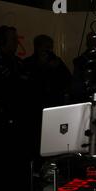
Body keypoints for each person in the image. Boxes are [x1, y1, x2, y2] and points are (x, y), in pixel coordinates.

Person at [0, 25, 30, 191]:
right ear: (3, 41)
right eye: (13, 39)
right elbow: (11, 87)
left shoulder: (16, 61)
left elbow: (27, 83)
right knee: (6, 159)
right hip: (4, 119)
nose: (17, 43)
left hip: (19, 116)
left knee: (18, 159)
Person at [24, 34, 72, 164]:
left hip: (54, 109)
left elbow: (68, 80)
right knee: (35, 142)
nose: (49, 51)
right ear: (37, 48)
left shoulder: (56, 62)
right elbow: (27, 87)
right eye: (46, 48)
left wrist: (56, 68)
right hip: (35, 112)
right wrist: (42, 67)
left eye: (51, 48)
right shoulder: (28, 64)